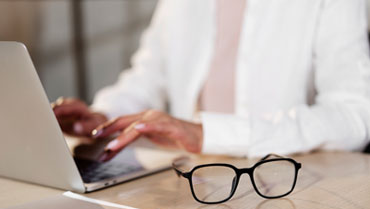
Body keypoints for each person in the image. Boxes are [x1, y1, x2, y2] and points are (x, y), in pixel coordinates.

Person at [53, 0, 370, 161]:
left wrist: (207, 133)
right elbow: (147, 78)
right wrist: (105, 117)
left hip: (285, 196)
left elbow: (355, 115)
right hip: (185, 188)